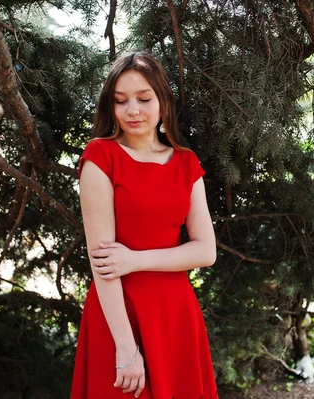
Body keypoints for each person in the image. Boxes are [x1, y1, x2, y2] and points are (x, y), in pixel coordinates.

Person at [70, 52, 219, 399]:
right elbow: (103, 262)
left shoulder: (186, 162)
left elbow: (205, 250)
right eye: (121, 101)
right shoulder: (100, 157)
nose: (132, 110)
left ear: (163, 102)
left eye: (144, 98)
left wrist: (136, 260)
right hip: (118, 314)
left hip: (175, 315)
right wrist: (126, 347)